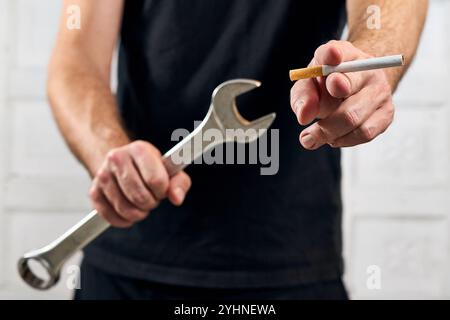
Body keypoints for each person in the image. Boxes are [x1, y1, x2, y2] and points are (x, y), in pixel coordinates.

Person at [47, 0, 427, 299]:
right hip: (126, 270)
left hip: (293, 263)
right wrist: (110, 155)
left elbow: (393, 6)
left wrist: (373, 60)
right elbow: (75, 58)